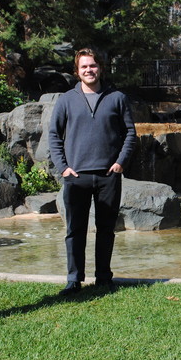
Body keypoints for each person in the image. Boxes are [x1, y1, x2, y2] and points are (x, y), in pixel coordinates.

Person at [49, 48, 136, 295]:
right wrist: (63, 168)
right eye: (84, 67)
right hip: (76, 176)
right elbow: (54, 135)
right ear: (77, 71)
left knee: (106, 229)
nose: (89, 70)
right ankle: (73, 279)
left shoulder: (117, 97)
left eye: (93, 66)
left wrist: (120, 162)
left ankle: (104, 277)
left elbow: (130, 133)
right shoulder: (66, 100)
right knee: (75, 230)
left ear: (101, 68)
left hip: (108, 174)